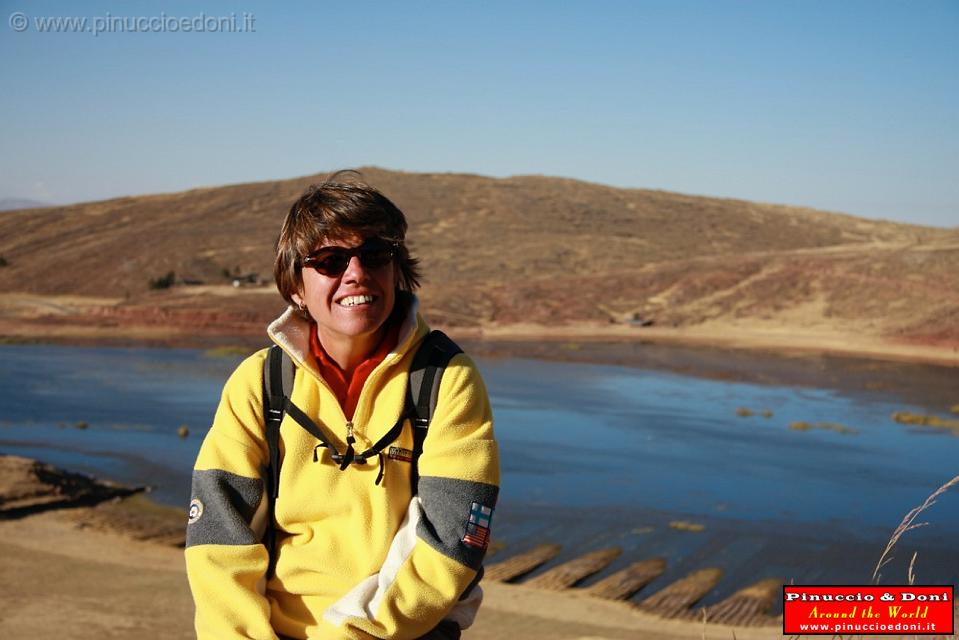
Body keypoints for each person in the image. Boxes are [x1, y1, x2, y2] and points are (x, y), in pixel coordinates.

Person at [185, 174, 500, 640]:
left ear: (396, 269)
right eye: (330, 261)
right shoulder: (258, 384)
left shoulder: (445, 379)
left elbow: (453, 543)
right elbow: (218, 541)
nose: (356, 273)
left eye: (374, 255)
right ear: (296, 287)